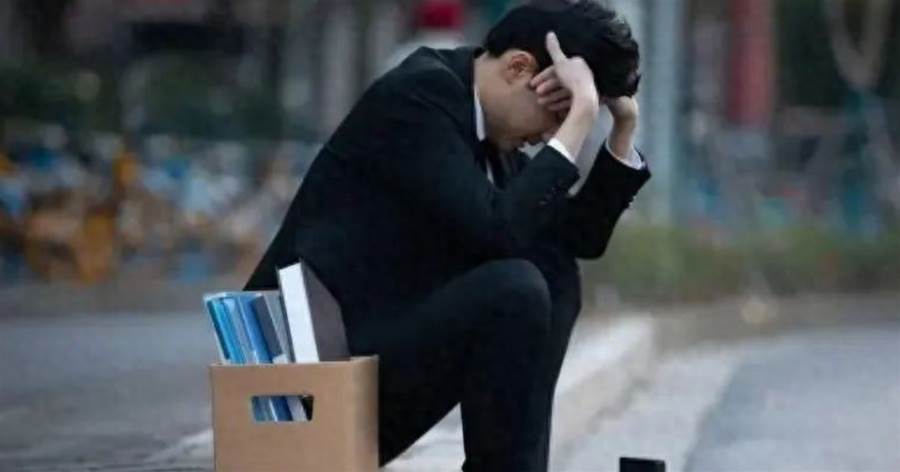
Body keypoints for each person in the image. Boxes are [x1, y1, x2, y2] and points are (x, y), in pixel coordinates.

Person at [244, 1, 650, 470]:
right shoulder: (419, 97)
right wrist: (578, 122)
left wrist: (622, 129)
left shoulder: (492, 130)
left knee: (554, 273)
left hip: (370, 359)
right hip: (307, 383)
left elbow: (577, 240)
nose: (549, 137)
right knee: (516, 289)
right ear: (518, 68)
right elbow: (499, 231)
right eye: (557, 116)